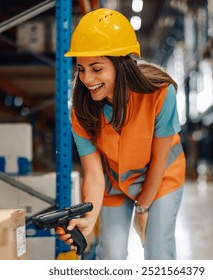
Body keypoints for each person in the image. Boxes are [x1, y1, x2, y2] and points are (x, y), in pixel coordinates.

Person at [55, 8, 186, 260]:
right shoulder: (82, 110)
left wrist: (143, 208)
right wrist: (88, 218)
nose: (86, 79)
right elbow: (93, 174)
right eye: (81, 69)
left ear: (120, 65)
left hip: (161, 180)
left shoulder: (159, 94)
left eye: (96, 68)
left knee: (158, 250)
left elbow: (159, 161)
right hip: (115, 183)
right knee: (111, 255)